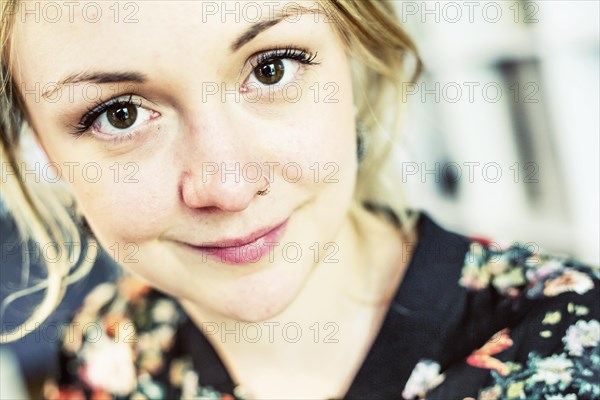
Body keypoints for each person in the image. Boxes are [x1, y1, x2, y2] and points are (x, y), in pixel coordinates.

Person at [0, 1, 598, 399]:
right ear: (41, 152)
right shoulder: (106, 347)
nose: (229, 187)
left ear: (353, 53)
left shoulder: (573, 346)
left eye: (270, 69)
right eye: (119, 114)